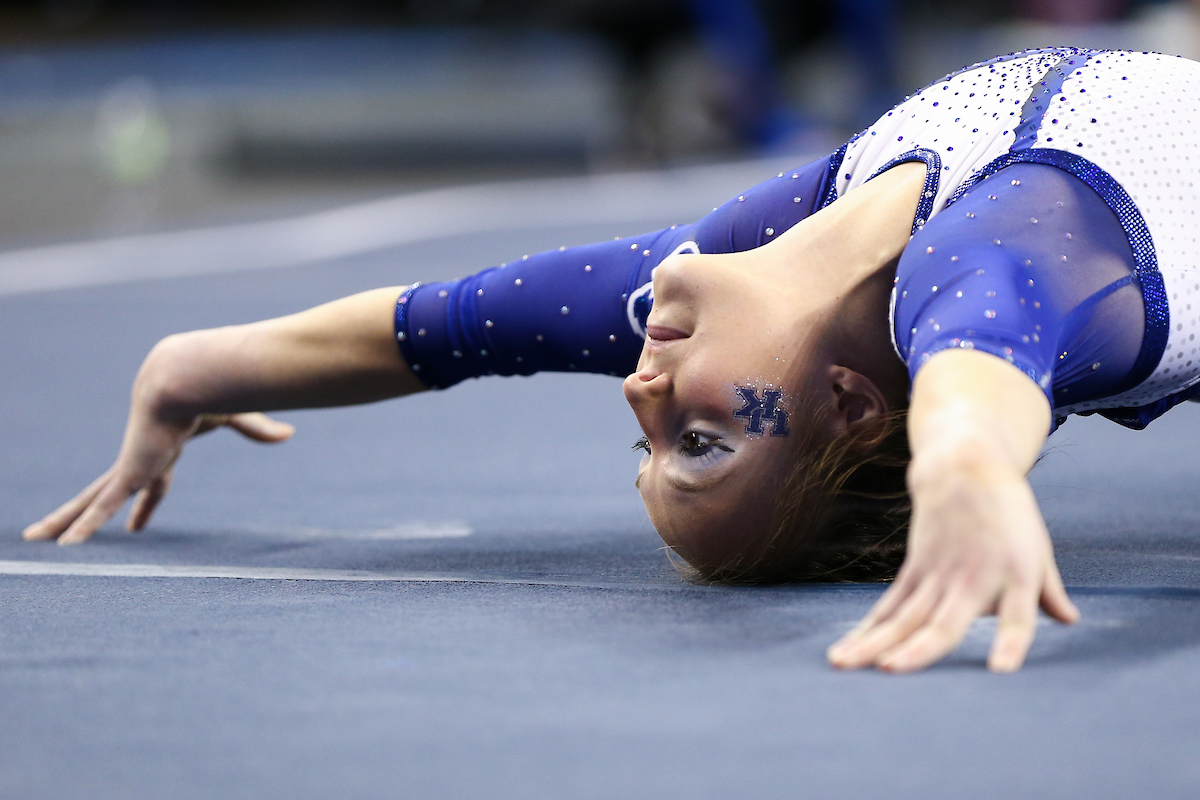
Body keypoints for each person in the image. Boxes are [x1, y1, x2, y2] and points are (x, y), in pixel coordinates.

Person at [24, 48, 1200, 674]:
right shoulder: (995, 257)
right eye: (698, 439)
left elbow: (448, 324)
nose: (641, 388)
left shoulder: (745, 278)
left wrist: (196, 367)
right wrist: (965, 473)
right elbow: (979, 358)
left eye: (640, 439)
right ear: (850, 404)